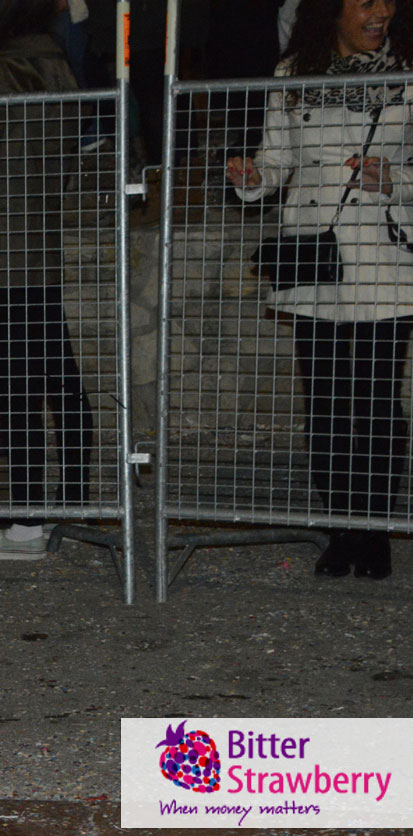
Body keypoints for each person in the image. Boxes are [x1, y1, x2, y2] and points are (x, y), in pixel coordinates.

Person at [225, 0, 413, 580]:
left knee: (377, 403)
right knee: (328, 403)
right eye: (365, 2)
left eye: (387, 0)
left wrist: (396, 179)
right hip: (316, 260)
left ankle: (374, 528)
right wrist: (254, 178)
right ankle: (341, 526)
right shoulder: (293, 75)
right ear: (331, 12)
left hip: (384, 257)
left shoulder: (407, 72)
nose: (381, 11)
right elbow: (278, 159)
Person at [0, 0, 95, 560]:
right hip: (37, 244)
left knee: (13, 390)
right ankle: (72, 498)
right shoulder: (56, 62)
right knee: (57, 377)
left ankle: (27, 523)